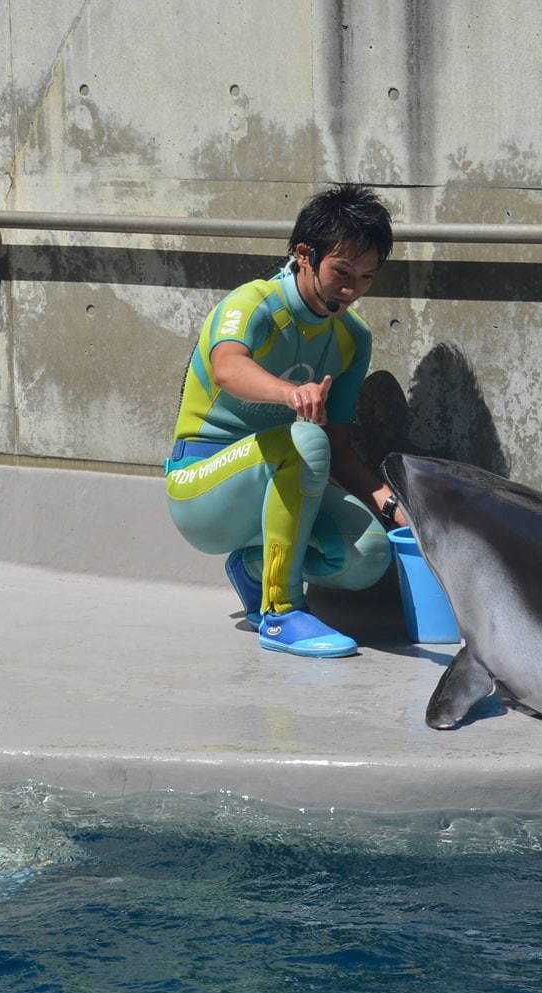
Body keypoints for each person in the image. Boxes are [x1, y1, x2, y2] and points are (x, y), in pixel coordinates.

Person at [165, 183, 407, 658]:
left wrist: (391, 505)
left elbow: (339, 449)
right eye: (342, 271)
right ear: (303, 254)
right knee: (303, 441)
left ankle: (256, 567)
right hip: (201, 488)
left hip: (288, 472)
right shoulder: (252, 304)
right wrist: (291, 393)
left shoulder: (351, 338)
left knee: (369, 553)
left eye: (366, 277)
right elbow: (227, 368)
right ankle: (280, 612)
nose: (351, 289)